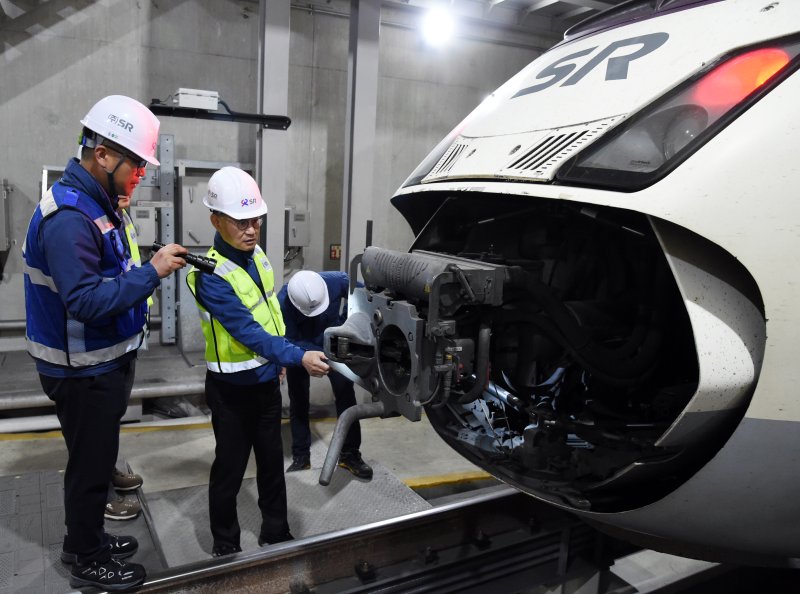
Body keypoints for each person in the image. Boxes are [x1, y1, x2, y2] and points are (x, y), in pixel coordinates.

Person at [23, 94, 188, 591]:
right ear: (102, 155)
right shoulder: (70, 216)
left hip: (100, 362)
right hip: (81, 369)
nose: (138, 178)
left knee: (95, 459)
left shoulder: (97, 203)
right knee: (90, 467)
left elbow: (108, 271)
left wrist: (142, 267)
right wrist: (153, 274)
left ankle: (85, 536)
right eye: (135, 168)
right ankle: (87, 559)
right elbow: (86, 301)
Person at [186, 166, 330, 557]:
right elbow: (247, 331)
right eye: (240, 222)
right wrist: (297, 355)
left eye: (256, 221)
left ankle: (276, 532)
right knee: (230, 470)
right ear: (215, 220)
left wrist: (280, 354)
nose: (251, 230)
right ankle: (226, 543)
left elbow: (271, 312)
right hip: (230, 392)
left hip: (266, 381)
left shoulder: (258, 256)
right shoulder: (209, 276)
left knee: (270, 463)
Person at [278, 270, 373, 480]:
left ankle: (349, 455)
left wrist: (344, 323)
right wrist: (306, 356)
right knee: (298, 401)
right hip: (300, 352)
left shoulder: (338, 281)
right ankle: (301, 457)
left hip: (333, 345)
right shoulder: (283, 301)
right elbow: (286, 338)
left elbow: (364, 296)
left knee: (346, 396)